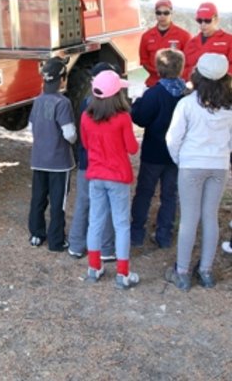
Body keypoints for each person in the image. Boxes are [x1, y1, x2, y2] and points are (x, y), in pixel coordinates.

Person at [165, 53, 232, 291]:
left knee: (189, 219)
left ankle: (182, 272)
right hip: (219, 165)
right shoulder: (229, 106)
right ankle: (205, 271)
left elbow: (173, 138)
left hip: (191, 164)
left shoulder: (187, 104)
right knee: (210, 216)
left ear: (198, 75)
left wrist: (180, 159)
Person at [80, 70, 140, 289]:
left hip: (96, 175)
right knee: (121, 224)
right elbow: (132, 148)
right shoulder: (122, 118)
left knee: (95, 221)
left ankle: (94, 267)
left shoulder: (86, 116)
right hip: (118, 177)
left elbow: (86, 145)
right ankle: (123, 273)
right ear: (117, 94)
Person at [130, 49, 187, 248]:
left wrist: (136, 103)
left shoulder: (154, 94)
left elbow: (140, 118)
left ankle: (136, 233)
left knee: (144, 192)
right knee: (170, 195)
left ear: (158, 69)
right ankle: (164, 235)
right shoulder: (186, 95)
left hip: (154, 152)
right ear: (180, 69)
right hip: (177, 155)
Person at [67, 62, 117, 261]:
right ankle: (106, 248)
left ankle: (76, 245)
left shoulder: (85, 104)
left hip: (87, 162)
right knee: (106, 205)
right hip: (107, 165)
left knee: (83, 203)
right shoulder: (116, 108)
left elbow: (81, 134)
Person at [28, 56, 77, 252]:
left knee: (38, 198)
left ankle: (36, 235)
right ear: (62, 79)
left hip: (39, 159)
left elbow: (30, 128)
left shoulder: (37, 101)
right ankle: (56, 241)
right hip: (59, 162)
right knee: (58, 202)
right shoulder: (63, 103)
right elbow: (70, 134)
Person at [139, 0, 191, 87]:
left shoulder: (184, 36)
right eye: (158, 13)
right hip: (153, 83)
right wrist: (158, 73)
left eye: (166, 13)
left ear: (171, 13)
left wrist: (174, 76)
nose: (162, 16)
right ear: (155, 14)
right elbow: (144, 60)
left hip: (176, 84)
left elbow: (189, 61)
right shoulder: (146, 36)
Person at [182, 2, 232, 80]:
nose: (203, 24)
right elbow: (183, 68)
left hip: (218, 89)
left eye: (207, 20)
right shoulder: (191, 43)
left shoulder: (229, 41)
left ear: (216, 20)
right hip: (194, 88)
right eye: (199, 21)